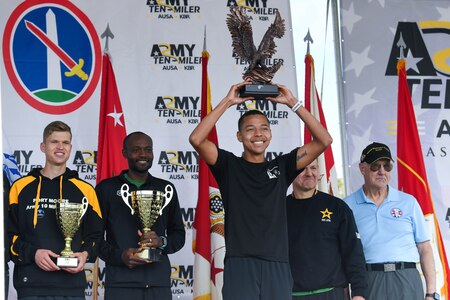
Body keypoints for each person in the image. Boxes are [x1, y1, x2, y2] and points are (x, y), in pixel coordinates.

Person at [189, 81, 333, 300]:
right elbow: (196, 139)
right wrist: (228, 101)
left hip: (277, 264)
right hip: (240, 263)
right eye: (250, 129)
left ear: (271, 134)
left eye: (264, 128)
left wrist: (293, 103)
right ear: (239, 136)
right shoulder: (228, 165)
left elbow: (324, 140)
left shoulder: (282, 166)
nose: (258, 134)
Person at [8, 120, 103, 299]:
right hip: (31, 285)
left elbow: (96, 236)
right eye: (54, 142)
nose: (60, 147)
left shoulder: (85, 190)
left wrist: (85, 254)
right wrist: (33, 254)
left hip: (71, 287)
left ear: (70, 147)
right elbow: (7, 236)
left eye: (65, 142)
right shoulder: (20, 188)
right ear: (43, 146)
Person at [96, 131, 185, 300]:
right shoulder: (106, 189)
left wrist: (161, 242)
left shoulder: (166, 189)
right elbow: (95, 239)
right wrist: (120, 256)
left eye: (148, 149)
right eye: (136, 149)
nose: (143, 154)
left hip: (158, 285)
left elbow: (179, 235)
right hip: (121, 284)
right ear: (125, 153)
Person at [344, 142, 438, 300]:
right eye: (375, 166)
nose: (382, 171)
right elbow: (344, 255)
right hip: (368, 280)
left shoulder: (409, 202)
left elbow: (424, 248)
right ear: (362, 169)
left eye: (387, 166)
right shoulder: (347, 205)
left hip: (407, 279)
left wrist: (431, 293)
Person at [286, 159, 367, 300]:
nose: (309, 173)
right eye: (303, 169)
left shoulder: (337, 207)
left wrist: (359, 293)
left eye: (313, 168)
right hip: (290, 294)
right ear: (291, 173)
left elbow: (353, 253)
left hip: (331, 293)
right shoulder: (278, 209)